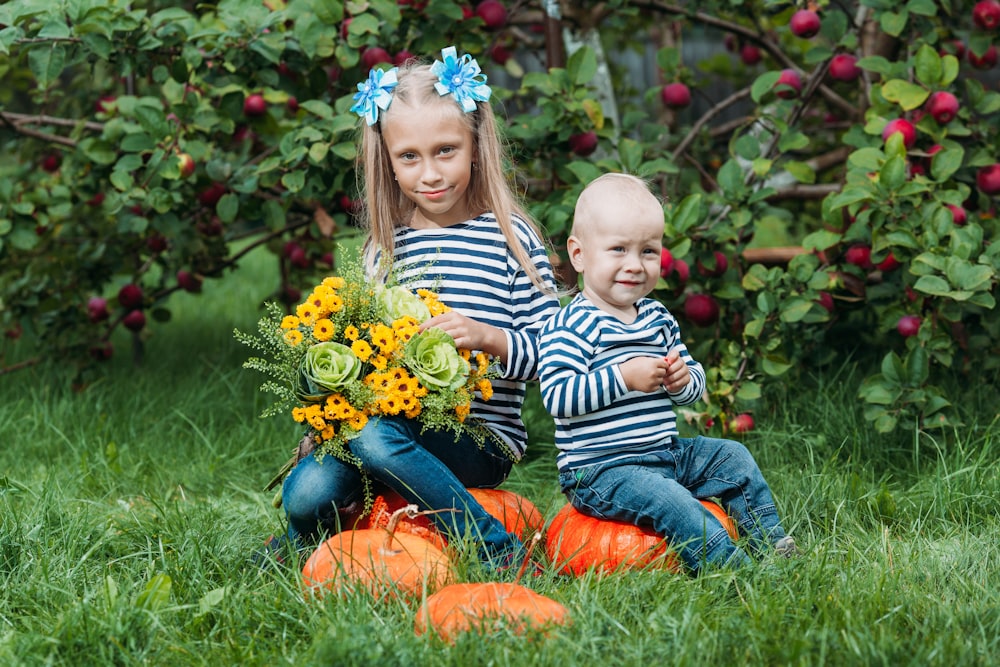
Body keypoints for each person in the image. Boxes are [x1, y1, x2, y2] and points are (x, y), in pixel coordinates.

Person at [270, 47, 561, 568]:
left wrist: (487, 337)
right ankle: (307, 536)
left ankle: (496, 548)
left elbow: (555, 354)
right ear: (388, 160)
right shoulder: (385, 245)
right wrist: (330, 406)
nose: (430, 173)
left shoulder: (510, 240)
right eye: (409, 157)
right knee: (306, 493)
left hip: (478, 438)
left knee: (376, 439)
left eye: (446, 150)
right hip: (379, 428)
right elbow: (358, 352)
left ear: (476, 145)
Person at [537, 173, 797, 574]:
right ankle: (733, 570)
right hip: (602, 470)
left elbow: (692, 384)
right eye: (618, 249)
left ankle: (772, 543)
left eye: (648, 252)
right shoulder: (571, 325)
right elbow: (557, 397)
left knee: (733, 456)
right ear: (579, 254)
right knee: (672, 501)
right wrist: (624, 376)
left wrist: (682, 381)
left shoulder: (658, 319)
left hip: (665, 453)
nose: (634, 265)